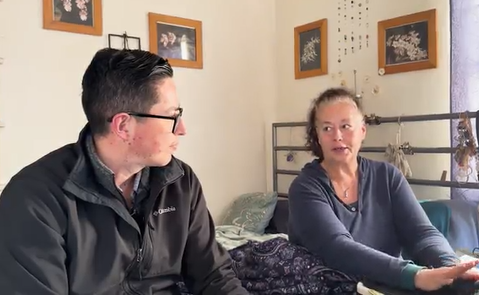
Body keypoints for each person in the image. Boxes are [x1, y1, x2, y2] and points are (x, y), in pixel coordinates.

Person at [0, 48, 248, 295]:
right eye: (172, 117)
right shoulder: (34, 199)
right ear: (123, 125)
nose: (182, 129)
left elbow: (214, 276)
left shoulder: (180, 181)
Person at [288, 87, 479, 292]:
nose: (337, 136)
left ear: (362, 131)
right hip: (332, 287)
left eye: (345, 126)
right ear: (317, 136)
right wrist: (413, 275)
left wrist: (451, 267)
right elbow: (337, 247)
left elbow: (421, 233)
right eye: (327, 128)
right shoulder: (304, 188)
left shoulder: (387, 176)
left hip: (388, 283)